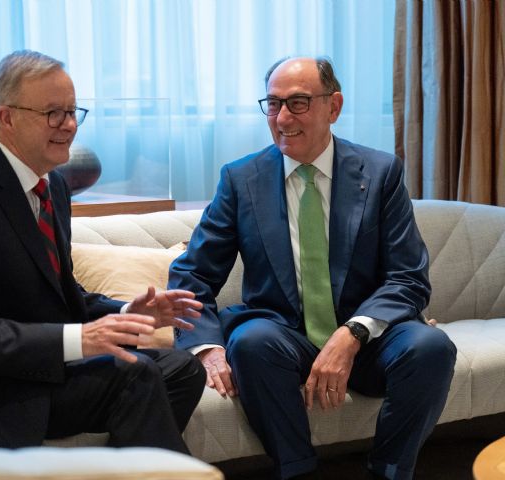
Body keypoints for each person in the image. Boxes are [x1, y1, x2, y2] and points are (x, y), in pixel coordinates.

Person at [168, 56, 457, 479]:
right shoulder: (241, 178)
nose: (283, 117)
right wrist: (206, 347)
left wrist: (353, 332)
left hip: (371, 341)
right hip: (284, 339)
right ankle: (297, 471)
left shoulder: (380, 173)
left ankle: (390, 471)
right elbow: (194, 273)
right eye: (273, 103)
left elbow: (408, 277)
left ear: (333, 107)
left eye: (299, 103)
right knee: (250, 341)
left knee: (433, 347)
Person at [0, 49, 206, 452]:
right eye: (53, 113)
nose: (68, 126)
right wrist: (79, 339)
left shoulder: (54, 186)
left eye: (72, 112)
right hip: (1, 388)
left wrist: (124, 314)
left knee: (183, 368)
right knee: (135, 375)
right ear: (6, 117)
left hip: (53, 370)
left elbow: (60, 292)